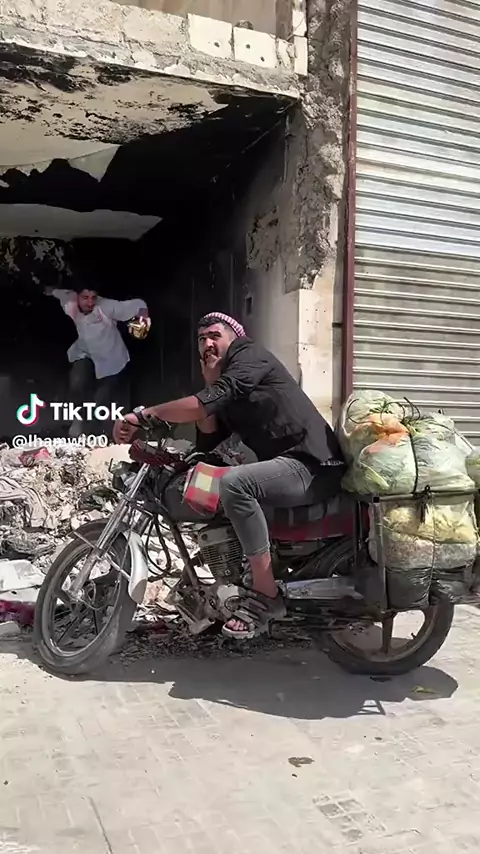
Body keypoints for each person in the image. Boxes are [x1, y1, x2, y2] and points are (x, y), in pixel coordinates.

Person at [113, 311, 345, 639]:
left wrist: (144, 415)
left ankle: (265, 596)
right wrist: (209, 385)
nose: (207, 343)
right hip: (291, 466)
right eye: (201, 339)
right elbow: (209, 439)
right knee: (214, 479)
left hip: (313, 464)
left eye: (214, 336)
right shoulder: (227, 387)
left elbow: (203, 404)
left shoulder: (249, 355)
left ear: (234, 337)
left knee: (235, 484)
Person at [45, 282, 150, 437]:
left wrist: (144, 316)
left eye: (93, 297)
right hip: (84, 351)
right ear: (77, 296)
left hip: (111, 358)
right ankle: (78, 420)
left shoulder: (106, 306)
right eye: (85, 297)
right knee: (77, 382)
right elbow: (55, 292)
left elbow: (138, 304)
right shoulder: (69, 300)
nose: (90, 302)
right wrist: (45, 289)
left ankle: (95, 433)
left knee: (102, 399)